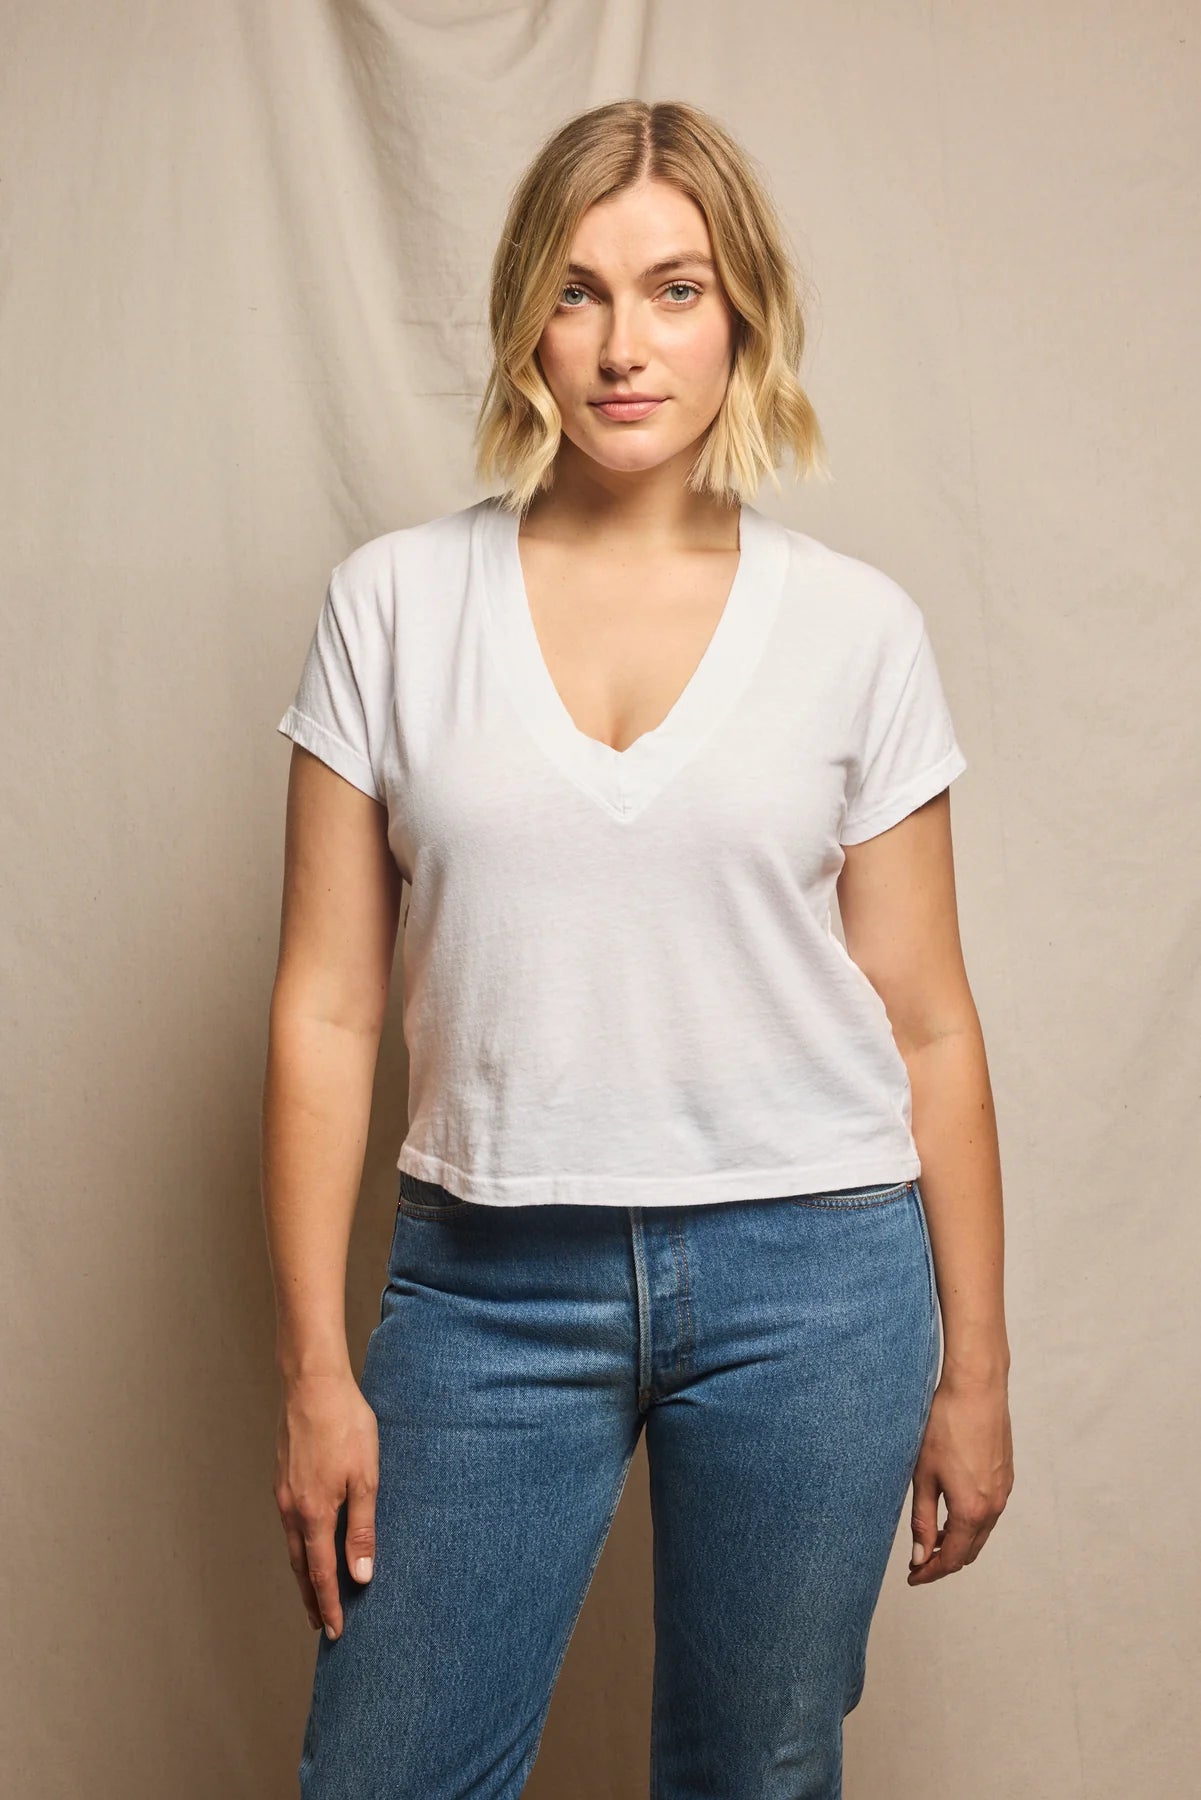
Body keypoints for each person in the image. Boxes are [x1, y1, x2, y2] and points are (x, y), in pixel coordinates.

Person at [262, 97, 1013, 1800]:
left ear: (740, 310)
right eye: (580, 291)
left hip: (813, 1278)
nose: (622, 345)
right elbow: (323, 1009)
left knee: (750, 1775)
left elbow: (930, 1025)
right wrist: (318, 1368)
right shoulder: (389, 604)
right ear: (528, 311)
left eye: (674, 290)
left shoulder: (852, 629)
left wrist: (975, 1367)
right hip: (481, 1288)